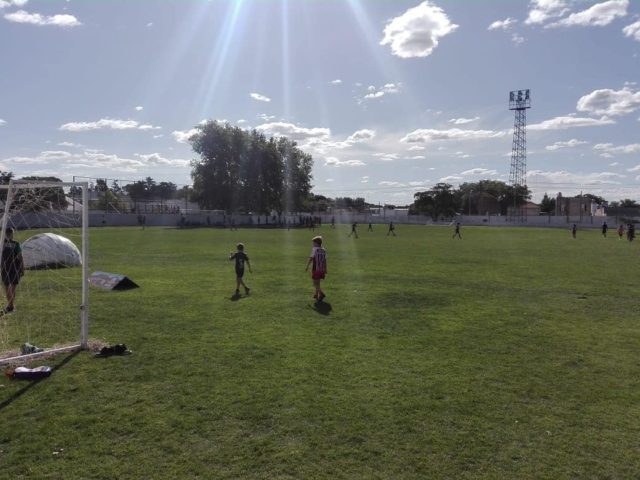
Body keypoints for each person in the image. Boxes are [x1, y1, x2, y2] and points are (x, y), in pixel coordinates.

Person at [1, 228, 25, 314]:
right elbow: (20, 257)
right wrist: (22, 268)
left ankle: (10, 306)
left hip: (6, 268)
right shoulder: (16, 244)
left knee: (8, 286)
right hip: (14, 268)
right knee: (12, 287)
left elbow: (20, 256)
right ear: (12, 234)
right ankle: (11, 306)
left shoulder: (2, 243)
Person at [305, 235, 327, 302]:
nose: (313, 244)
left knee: (315, 283)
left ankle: (322, 293)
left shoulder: (315, 249)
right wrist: (325, 269)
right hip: (322, 269)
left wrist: (307, 266)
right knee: (318, 282)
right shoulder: (323, 250)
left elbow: (311, 258)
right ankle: (316, 294)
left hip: (316, 269)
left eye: (313, 243)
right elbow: (325, 260)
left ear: (316, 243)